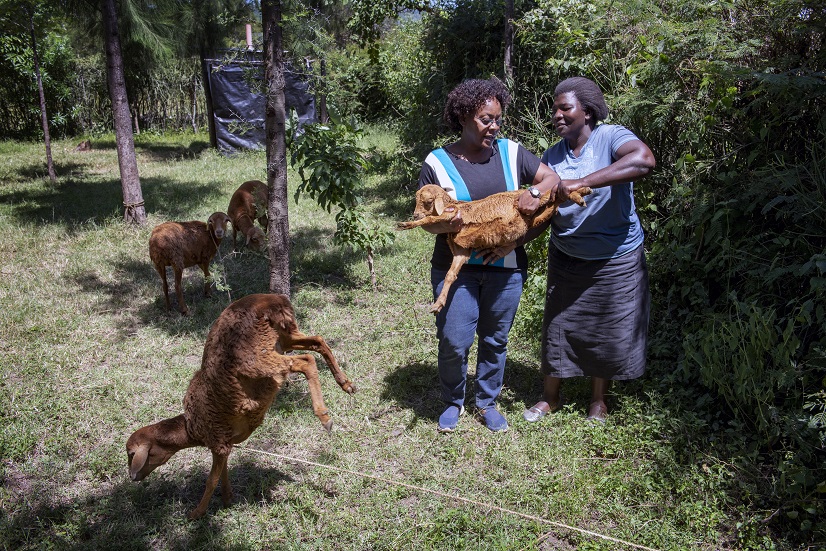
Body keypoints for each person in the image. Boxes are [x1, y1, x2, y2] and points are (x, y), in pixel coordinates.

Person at [416, 77, 564, 433]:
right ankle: (453, 400)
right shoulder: (436, 162)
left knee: (495, 338)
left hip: (507, 267)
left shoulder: (512, 152)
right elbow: (426, 224)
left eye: (497, 118)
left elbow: (551, 180)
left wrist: (532, 191)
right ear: (464, 117)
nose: (494, 126)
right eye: (486, 119)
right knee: (454, 340)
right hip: (458, 270)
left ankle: (486, 402)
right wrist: (448, 222)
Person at [516, 76, 656, 423]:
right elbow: (545, 210)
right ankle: (551, 397)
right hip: (568, 257)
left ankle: (599, 401)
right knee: (558, 326)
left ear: (588, 111)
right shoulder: (552, 155)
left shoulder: (610, 137)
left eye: (565, 108)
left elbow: (644, 160)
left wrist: (584, 181)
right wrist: (512, 240)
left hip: (616, 256)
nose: (558, 116)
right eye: (555, 110)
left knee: (607, 329)